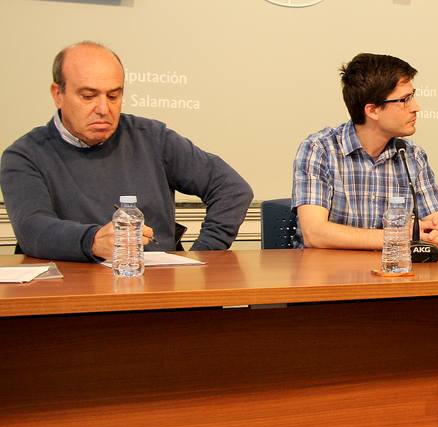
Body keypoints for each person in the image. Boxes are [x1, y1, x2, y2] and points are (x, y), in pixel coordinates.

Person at [0, 41, 253, 262]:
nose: (103, 108)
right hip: (70, 291)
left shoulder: (151, 137)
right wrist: (91, 241)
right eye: (88, 96)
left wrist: (202, 255)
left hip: (155, 287)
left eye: (113, 96)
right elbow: (33, 229)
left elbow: (232, 189)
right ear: (58, 94)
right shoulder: (25, 155)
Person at [292, 53, 438, 249]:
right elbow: (314, 234)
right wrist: (401, 236)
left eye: (413, 97)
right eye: (404, 100)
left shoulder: (412, 155)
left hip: (392, 273)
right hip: (327, 274)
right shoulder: (320, 149)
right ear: (373, 110)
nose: (416, 107)